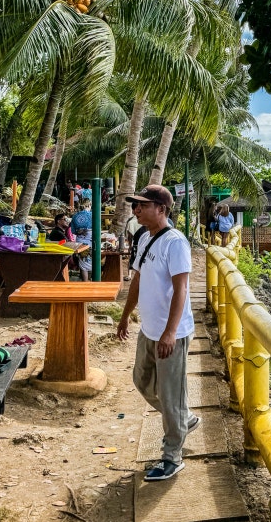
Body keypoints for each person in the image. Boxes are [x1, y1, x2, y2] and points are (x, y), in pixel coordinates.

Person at [116, 184, 196, 481]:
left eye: (142, 205)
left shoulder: (175, 242)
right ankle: (182, 418)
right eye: (135, 205)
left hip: (169, 332)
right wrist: (125, 315)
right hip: (148, 329)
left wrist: (170, 333)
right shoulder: (146, 237)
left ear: (161, 209)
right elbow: (137, 279)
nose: (136, 210)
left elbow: (182, 289)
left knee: (170, 394)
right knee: (141, 380)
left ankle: (172, 456)